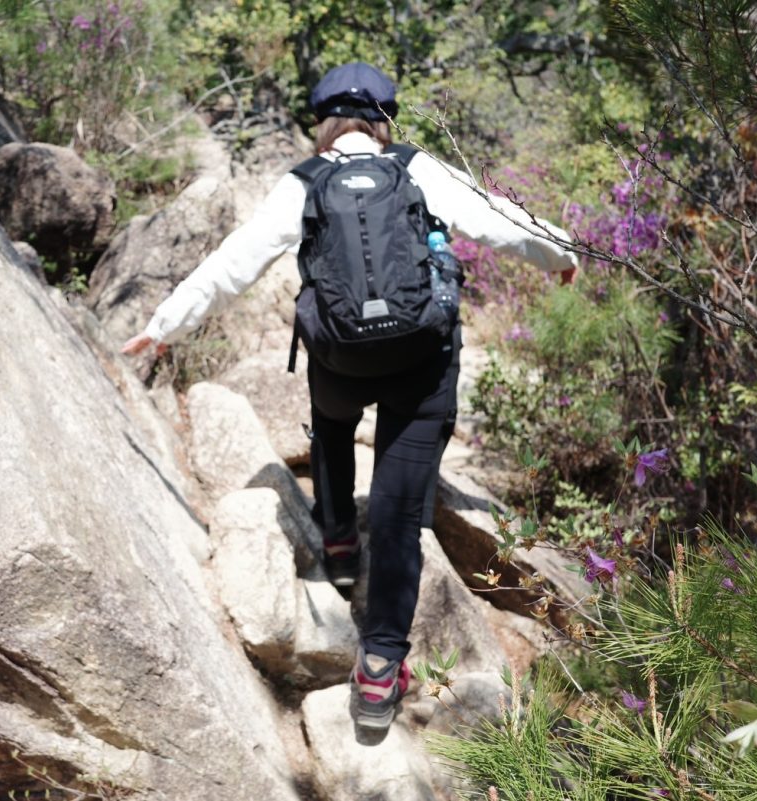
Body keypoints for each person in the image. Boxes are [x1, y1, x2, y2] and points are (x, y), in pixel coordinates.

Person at [122, 62, 576, 737]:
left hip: (341, 362)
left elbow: (234, 262)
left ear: (323, 124)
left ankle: (336, 542)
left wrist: (163, 327)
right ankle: (379, 668)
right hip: (422, 363)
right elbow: (496, 221)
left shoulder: (303, 182)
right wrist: (560, 251)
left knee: (331, 424)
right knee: (397, 514)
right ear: (382, 120)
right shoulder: (416, 169)